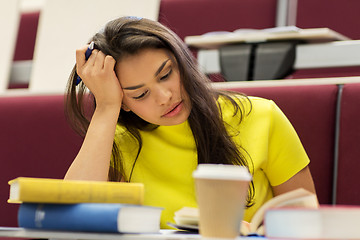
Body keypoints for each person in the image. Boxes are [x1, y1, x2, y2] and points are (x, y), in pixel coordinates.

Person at [64, 16, 317, 229]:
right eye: (140, 94)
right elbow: (69, 217)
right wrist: (107, 106)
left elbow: (306, 223)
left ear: (182, 62)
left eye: (166, 74)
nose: (165, 97)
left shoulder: (262, 117)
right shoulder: (116, 141)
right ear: (124, 102)